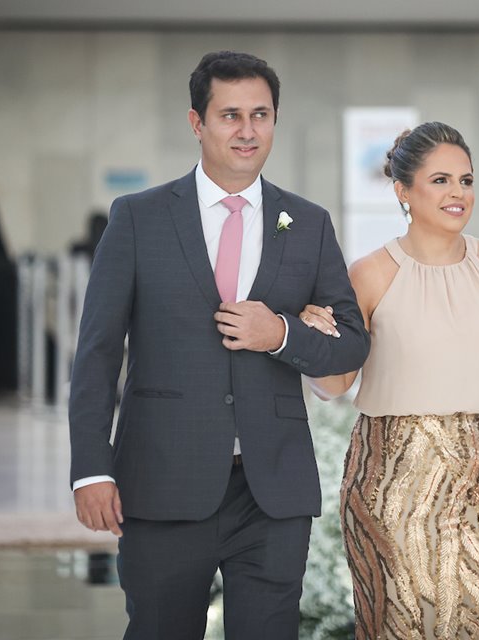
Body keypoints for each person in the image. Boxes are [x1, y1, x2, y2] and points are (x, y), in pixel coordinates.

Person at [68, 50, 370, 640]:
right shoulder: (137, 218)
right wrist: (89, 470)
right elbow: (97, 354)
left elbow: (351, 344)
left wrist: (280, 333)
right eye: (230, 114)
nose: (247, 130)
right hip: (162, 480)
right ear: (196, 122)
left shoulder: (307, 223)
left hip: (273, 489)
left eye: (261, 114)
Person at [301, 122, 479, 639]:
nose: (458, 193)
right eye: (440, 180)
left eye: (466, 180)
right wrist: (312, 339)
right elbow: (335, 382)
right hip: (394, 484)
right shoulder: (370, 274)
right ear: (403, 191)